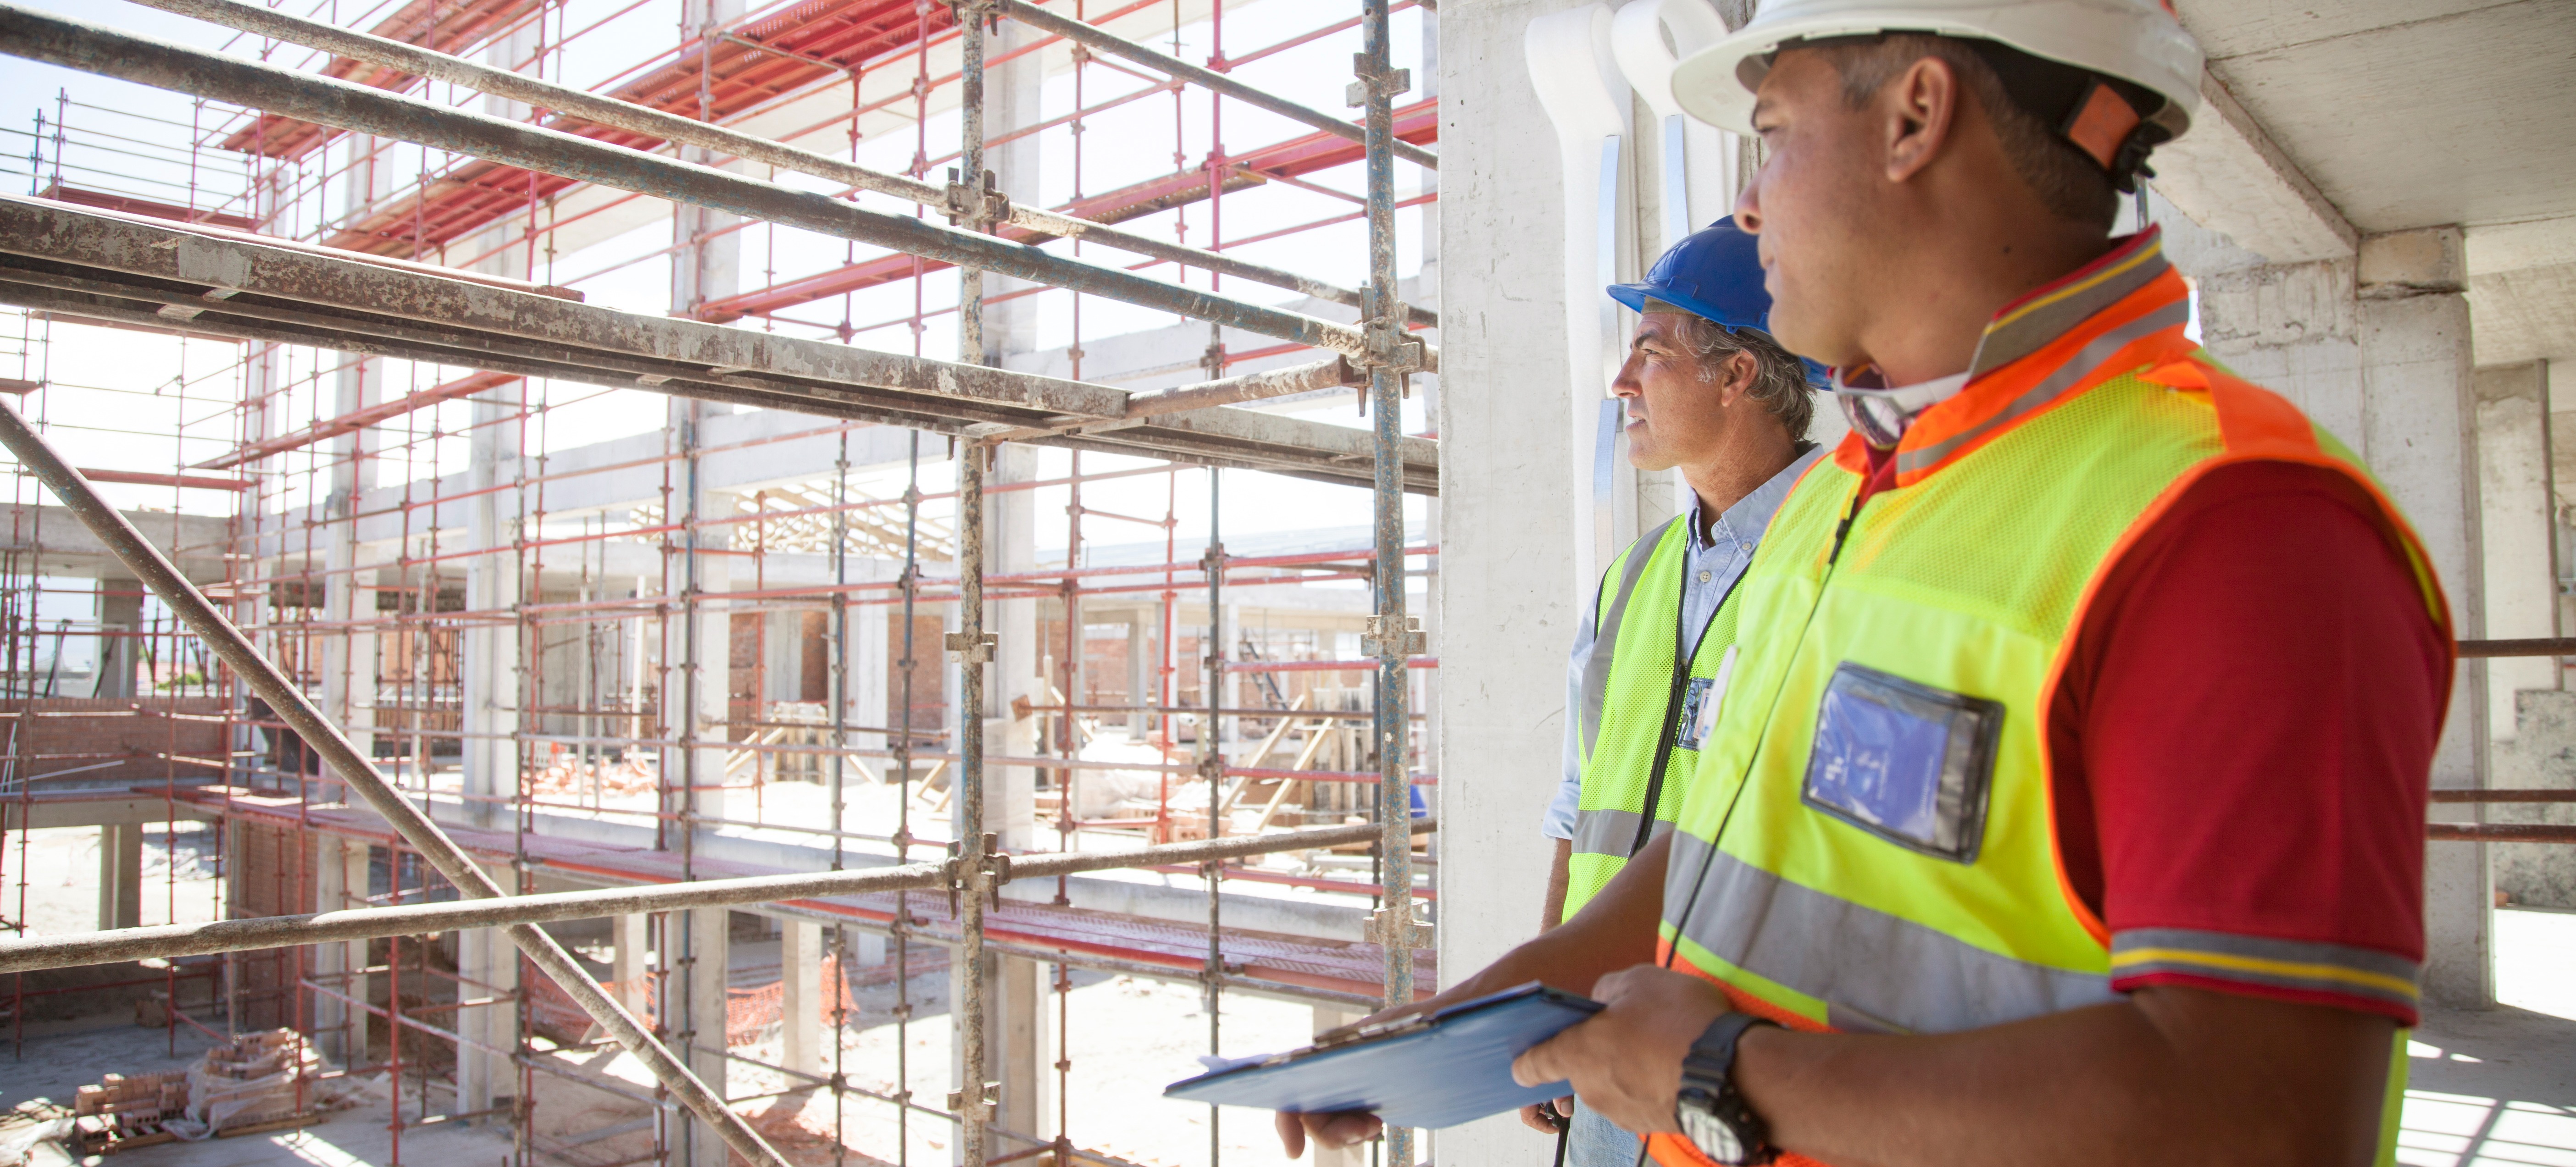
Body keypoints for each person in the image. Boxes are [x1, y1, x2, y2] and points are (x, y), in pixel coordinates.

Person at [1279, 0, 2450, 1164]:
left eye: (1773, 133)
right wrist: (1461, 1023)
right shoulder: (1847, 494)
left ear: (1915, 117)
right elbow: (1723, 855)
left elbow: (2273, 1116)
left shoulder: (2238, 529)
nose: (1748, 200)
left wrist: (1718, 1073)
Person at [1536, 217, 1823, 1167]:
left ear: (1737, 375)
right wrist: (1541, 1007)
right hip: (1605, 1036)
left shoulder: (1843, 560)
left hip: (1737, 1060)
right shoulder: (1630, 583)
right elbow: (1581, 813)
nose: (1622, 383)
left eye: (1650, 354)